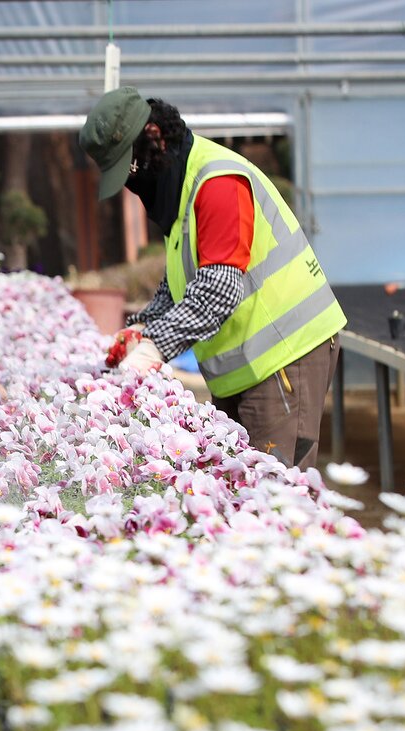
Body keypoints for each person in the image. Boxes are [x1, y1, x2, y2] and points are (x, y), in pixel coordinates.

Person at [78, 87, 345, 469]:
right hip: (251, 364)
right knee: (240, 488)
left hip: (284, 355)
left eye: (132, 167)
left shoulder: (217, 182)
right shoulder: (180, 188)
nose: (132, 182)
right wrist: (144, 327)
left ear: (154, 137)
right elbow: (182, 279)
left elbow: (218, 288)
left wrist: (154, 348)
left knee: (274, 493)